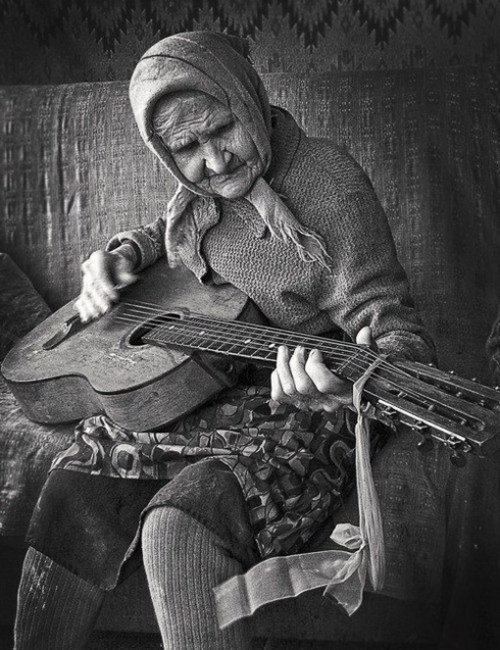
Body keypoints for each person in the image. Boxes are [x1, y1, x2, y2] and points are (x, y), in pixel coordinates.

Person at [13, 32, 498, 650]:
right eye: (186, 148)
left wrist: (344, 386)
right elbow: (168, 228)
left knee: (178, 525)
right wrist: (121, 255)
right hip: (210, 386)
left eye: (222, 130)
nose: (214, 162)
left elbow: (398, 335)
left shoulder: (329, 186)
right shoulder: (199, 194)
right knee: (75, 485)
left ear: (247, 100)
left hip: (308, 399)